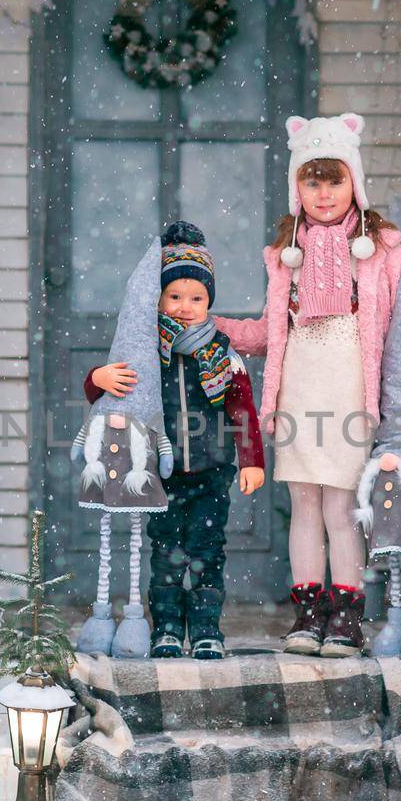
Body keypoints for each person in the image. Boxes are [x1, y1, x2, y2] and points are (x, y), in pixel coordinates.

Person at [215, 113, 401, 658]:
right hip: (299, 390)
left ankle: (346, 617)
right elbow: (271, 332)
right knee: (305, 506)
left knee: (342, 509)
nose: (323, 194)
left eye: (334, 180)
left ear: (354, 183)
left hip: (350, 391)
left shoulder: (383, 249)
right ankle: (307, 613)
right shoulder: (283, 256)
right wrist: (213, 327)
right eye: (311, 181)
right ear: (297, 186)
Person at [85, 222, 266, 660]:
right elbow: (110, 394)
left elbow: (242, 409)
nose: (185, 307)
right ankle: (165, 625)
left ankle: (206, 628)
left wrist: (251, 460)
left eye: (196, 298)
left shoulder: (222, 353)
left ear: (209, 302)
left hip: (211, 469)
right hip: (159, 473)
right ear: (159, 298)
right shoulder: (146, 347)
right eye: (175, 296)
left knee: (207, 552)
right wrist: (97, 378)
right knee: (165, 553)